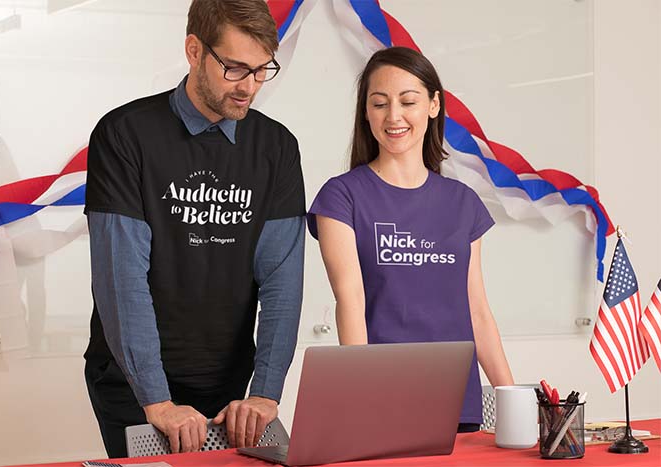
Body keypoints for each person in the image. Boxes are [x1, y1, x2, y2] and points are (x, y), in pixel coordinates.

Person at [83, 0, 305, 458]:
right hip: (134, 385)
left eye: (263, 70)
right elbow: (122, 277)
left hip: (229, 387)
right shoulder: (124, 134)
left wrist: (264, 391)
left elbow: (282, 278)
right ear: (194, 50)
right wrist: (158, 401)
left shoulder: (277, 147)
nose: (249, 88)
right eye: (235, 68)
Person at [307, 47, 513, 431]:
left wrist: (512, 399)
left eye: (408, 101)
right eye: (379, 103)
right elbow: (350, 301)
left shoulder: (463, 202)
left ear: (434, 105)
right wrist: (360, 397)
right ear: (366, 113)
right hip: (380, 403)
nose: (394, 116)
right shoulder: (341, 197)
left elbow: (478, 312)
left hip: (456, 404)